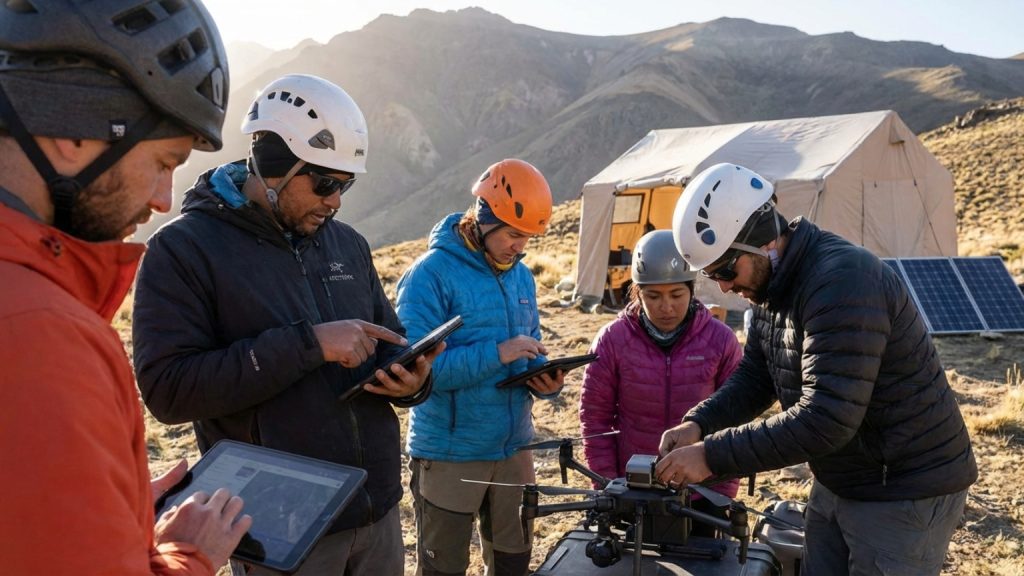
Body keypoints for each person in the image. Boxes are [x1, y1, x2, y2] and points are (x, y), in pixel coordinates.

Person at [131, 74, 440, 576]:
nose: (335, 200)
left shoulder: (348, 245)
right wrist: (308, 344)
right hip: (280, 527)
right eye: (324, 183)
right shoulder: (183, 250)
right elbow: (169, 390)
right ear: (273, 165)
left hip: (375, 509)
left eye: (345, 184)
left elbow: (389, 341)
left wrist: (412, 382)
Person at [0, 1, 252, 574]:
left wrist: (120, 511)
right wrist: (189, 555)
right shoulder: (40, 338)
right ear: (74, 127)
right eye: (165, 160)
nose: (164, 197)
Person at [656, 163, 978, 575]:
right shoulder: (772, 287)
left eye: (724, 270)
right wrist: (700, 424)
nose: (722, 287)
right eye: (711, 275)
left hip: (903, 487)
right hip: (843, 475)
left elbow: (826, 417)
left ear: (762, 241)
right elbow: (757, 376)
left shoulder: (844, 282)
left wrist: (712, 455)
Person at [395, 159, 565, 576]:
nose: (520, 247)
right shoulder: (429, 276)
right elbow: (415, 373)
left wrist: (546, 381)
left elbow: (528, 348)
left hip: (514, 449)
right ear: (482, 219)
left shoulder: (521, 276)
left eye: (527, 238)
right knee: (444, 568)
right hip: (451, 454)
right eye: (512, 234)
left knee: (512, 563)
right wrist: (499, 353)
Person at [579, 229, 742, 537]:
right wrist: (608, 484)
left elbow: (734, 419)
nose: (666, 307)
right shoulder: (612, 341)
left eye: (677, 295)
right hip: (631, 492)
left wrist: (722, 493)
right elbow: (596, 419)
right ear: (637, 292)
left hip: (703, 494)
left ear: (692, 290)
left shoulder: (721, 341)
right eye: (653, 296)